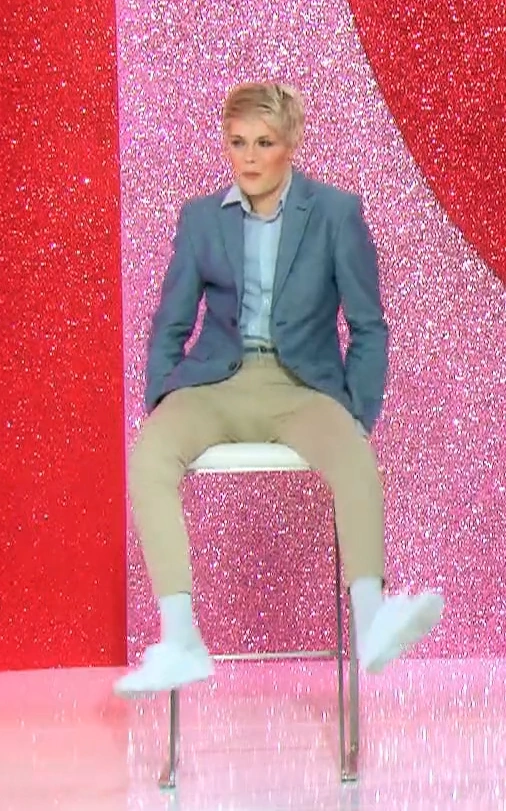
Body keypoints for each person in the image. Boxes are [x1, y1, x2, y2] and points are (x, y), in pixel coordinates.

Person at [114, 82, 443, 696]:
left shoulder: (336, 213)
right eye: (238, 142)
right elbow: (171, 322)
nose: (249, 157)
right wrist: (163, 395)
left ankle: (372, 622)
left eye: (263, 143)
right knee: (150, 453)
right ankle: (180, 638)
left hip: (301, 386)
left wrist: (357, 411)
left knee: (353, 454)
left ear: (290, 144)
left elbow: (368, 326)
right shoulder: (200, 220)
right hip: (217, 383)